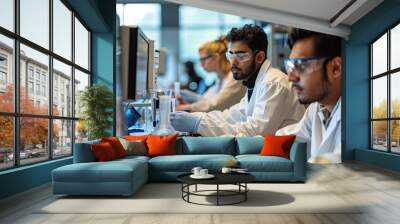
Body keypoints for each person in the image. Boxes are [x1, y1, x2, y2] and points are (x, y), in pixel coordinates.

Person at [170, 24, 305, 136]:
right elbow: (233, 115)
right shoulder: (256, 82)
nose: (233, 62)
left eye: (240, 56)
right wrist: (198, 118)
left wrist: (199, 124)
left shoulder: (273, 83)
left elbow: (256, 131)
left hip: (286, 157)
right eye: (231, 55)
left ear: (259, 57)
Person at [276, 28, 342, 164]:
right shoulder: (317, 108)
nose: (290, 77)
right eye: (291, 67)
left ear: (335, 68)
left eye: (301, 66)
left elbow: (343, 163)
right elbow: (293, 134)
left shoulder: (362, 115)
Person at [178, 36, 246, 112]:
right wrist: (188, 103)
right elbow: (207, 100)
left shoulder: (234, 77)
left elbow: (215, 105)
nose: (201, 65)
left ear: (216, 57)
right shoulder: (220, 78)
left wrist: (188, 107)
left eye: (203, 59)